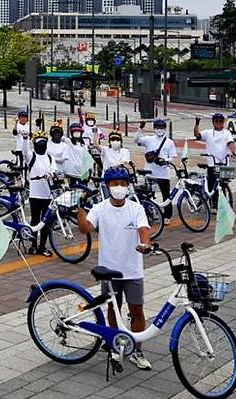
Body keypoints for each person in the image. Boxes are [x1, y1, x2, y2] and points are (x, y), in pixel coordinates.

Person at [77, 166, 152, 370]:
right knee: (113, 308)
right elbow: (85, 228)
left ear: (128, 186)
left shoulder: (135, 208)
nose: (119, 187)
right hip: (109, 270)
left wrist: (145, 244)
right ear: (107, 186)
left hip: (132, 269)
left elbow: (144, 229)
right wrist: (79, 209)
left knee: (136, 309)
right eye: (114, 184)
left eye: (122, 183)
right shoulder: (100, 208)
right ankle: (115, 344)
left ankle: (137, 350)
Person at [135, 118, 177, 224]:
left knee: (166, 194)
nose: (160, 130)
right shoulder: (149, 139)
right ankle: (149, 212)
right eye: (157, 127)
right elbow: (136, 140)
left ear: (165, 129)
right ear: (154, 128)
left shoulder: (169, 142)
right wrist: (140, 128)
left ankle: (167, 216)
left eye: (162, 128)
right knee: (147, 194)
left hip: (163, 172)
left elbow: (173, 156)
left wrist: (164, 161)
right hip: (150, 171)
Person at [22, 131, 55, 257]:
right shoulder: (32, 156)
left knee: (46, 222)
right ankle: (33, 245)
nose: (41, 144)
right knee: (35, 220)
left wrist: (51, 174)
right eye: (38, 142)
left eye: (44, 142)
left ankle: (42, 246)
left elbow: (54, 169)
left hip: (47, 194)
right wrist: (25, 139)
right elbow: (24, 153)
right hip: (35, 194)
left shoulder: (49, 157)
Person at [193, 113, 236, 197]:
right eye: (216, 121)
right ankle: (212, 204)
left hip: (224, 163)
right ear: (213, 122)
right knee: (212, 185)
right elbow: (197, 135)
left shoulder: (227, 133)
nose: (218, 123)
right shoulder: (208, 133)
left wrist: (233, 152)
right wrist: (197, 124)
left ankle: (224, 204)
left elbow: (231, 143)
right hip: (212, 163)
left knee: (224, 185)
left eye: (221, 121)